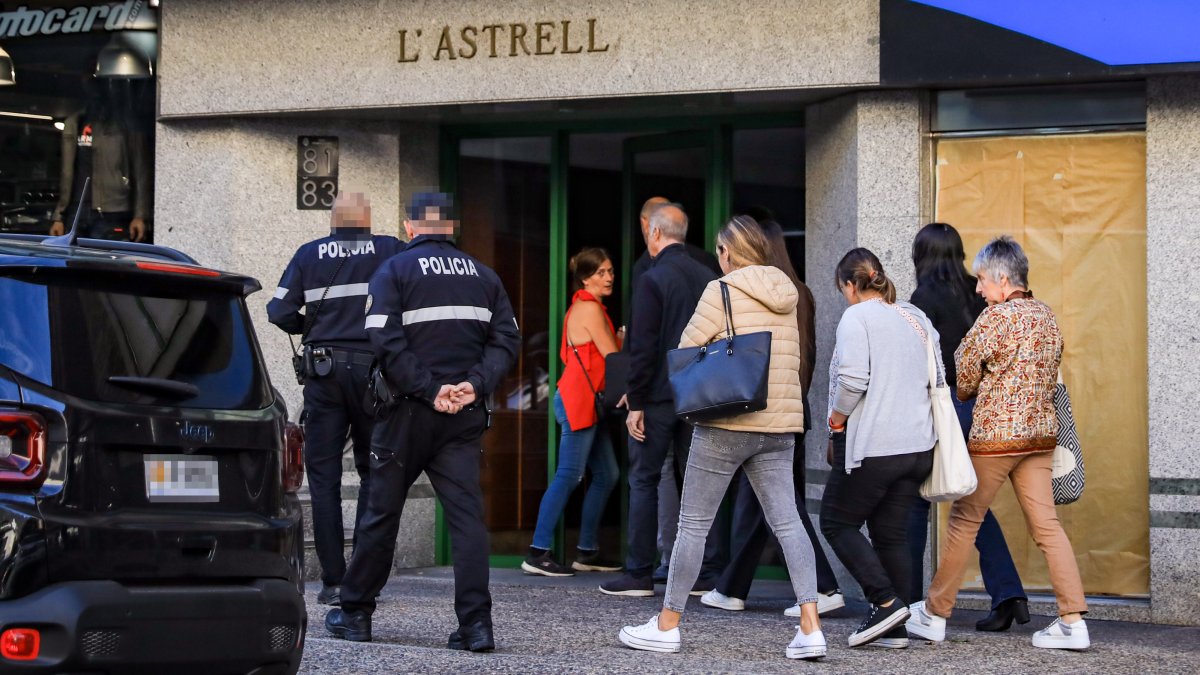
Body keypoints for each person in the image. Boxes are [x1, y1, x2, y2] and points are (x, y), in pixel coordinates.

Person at [617, 215, 826, 660]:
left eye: (719, 250)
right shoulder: (787, 293)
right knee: (788, 521)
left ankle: (668, 624)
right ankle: (811, 628)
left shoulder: (722, 289)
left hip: (728, 423)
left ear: (727, 253)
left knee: (693, 524)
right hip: (779, 425)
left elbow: (688, 348)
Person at [325, 192, 521, 651]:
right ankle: (476, 626)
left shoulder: (393, 271)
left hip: (407, 412)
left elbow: (383, 340)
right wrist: (473, 385)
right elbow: (506, 340)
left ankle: (355, 614)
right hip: (464, 415)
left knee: (380, 513)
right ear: (450, 227)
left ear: (410, 227)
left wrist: (429, 389)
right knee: (467, 520)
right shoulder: (484, 276)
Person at [908, 236, 1089, 651]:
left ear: (1003, 280)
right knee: (1047, 528)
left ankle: (934, 614)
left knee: (964, 521)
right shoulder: (1047, 316)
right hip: (1041, 437)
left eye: (983, 280)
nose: (978, 289)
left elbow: (964, 373)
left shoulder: (993, 320)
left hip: (995, 439)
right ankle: (1073, 620)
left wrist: (976, 388)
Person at [700, 217, 845, 618]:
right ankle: (733, 587)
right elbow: (808, 355)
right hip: (790, 409)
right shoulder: (797, 292)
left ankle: (823, 587)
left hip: (756, 409)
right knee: (767, 502)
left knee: (780, 504)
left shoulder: (744, 291)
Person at [266, 191, 404, 606]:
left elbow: (277, 311)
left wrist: (314, 323)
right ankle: (362, 578)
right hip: (371, 374)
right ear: (366, 218)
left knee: (322, 478)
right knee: (371, 471)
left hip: (324, 374)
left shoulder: (309, 253)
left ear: (333, 220)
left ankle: (332, 581)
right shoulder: (388, 248)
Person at [905, 223, 1029, 631]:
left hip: (944, 406)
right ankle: (1008, 592)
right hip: (983, 406)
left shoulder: (923, 297)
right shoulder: (978, 290)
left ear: (922, 255)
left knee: (917, 499)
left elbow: (921, 361)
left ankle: (906, 603)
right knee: (972, 504)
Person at [600, 203, 724, 597]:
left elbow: (643, 346)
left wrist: (634, 401)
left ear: (654, 234)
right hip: (699, 394)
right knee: (699, 483)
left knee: (644, 479)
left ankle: (638, 573)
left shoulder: (654, 278)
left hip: (657, 396)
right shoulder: (708, 275)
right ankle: (706, 572)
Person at [820, 248, 936, 648]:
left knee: (836, 522)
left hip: (876, 445)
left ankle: (885, 601)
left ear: (851, 285)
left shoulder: (858, 317)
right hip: (918, 445)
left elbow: (853, 380)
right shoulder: (915, 317)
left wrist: (836, 420)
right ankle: (896, 626)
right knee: (890, 534)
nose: (845, 297)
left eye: (843, 290)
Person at [522, 247, 622, 577]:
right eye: (601, 273)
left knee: (607, 474)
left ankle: (587, 552)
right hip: (580, 400)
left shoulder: (587, 307)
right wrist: (624, 339)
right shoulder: (589, 309)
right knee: (569, 474)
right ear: (584, 278)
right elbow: (612, 355)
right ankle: (537, 552)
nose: (608, 277)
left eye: (610, 271)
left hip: (586, 399)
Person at [50, 79, 152, 241]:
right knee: (73, 264)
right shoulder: (74, 122)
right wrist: (59, 216)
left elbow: (141, 169)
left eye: (96, 78)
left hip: (113, 210)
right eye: (88, 78)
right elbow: (67, 172)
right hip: (76, 211)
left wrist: (140, 215)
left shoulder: (126, 123)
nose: (92, 84)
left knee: (107, 264)